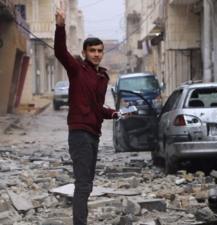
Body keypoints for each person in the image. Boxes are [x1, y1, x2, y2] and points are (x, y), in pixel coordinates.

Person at [54, 8, 119, 225]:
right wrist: (60, 26)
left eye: (100, 50)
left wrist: (114, 113)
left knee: (87, 183)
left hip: (94, 134)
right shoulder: (77, 69)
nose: (97, 54)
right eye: (92, 50)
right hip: (80, 133)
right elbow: (60, 51)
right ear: (84, 52)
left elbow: (97, 107)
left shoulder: (102, 77)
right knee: (83, 183)